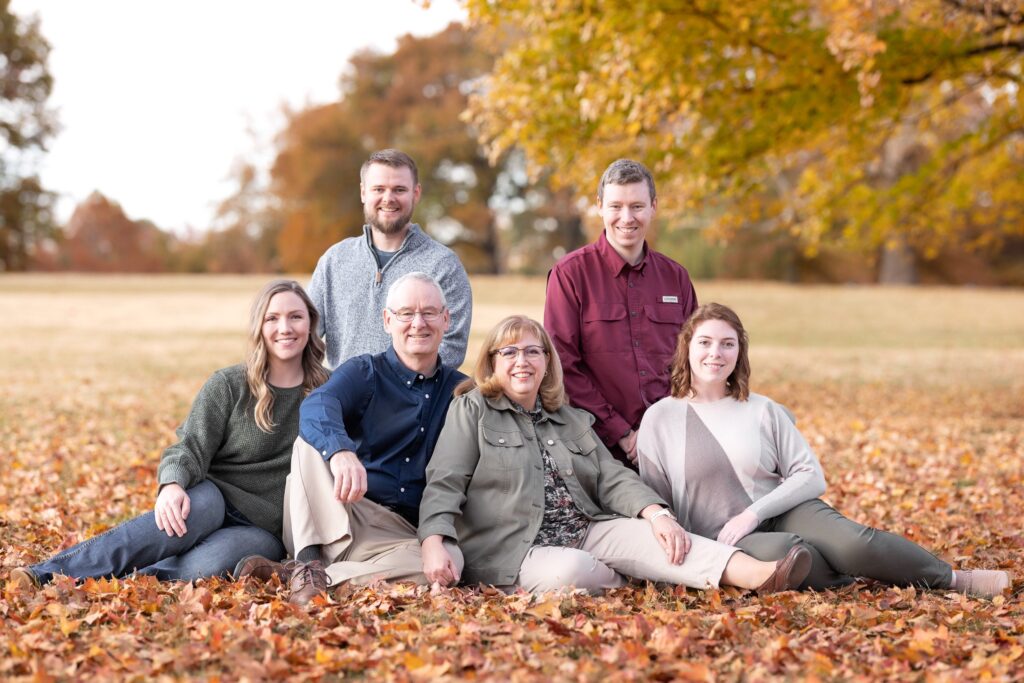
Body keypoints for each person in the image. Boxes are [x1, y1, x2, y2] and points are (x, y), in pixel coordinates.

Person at [637, 303, 1011, 598]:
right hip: (721, 539)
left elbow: (810, 474)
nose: (715, 353)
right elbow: (655, 498)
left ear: (739, 352)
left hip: (782, 510)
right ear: (687, 347)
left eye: (727, 343)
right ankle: (854, 577)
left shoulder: (761, 409)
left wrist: (751, 514)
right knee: (794, 555)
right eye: (705, 342)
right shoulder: (661, 418)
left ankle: (954, 579)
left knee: (854, 543)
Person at [417, 315, 812, 595]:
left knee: (666, 539)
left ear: (546, 363)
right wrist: (435, 540)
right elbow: (445, 480)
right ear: (492, 362)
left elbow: (611, 476)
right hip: (516, 547)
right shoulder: (472, 409)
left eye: (534, 352)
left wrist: (656, 514)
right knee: (570, 571)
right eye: (510, 352)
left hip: (587, 529)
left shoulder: (567, 417)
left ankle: (761, 576)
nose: (523, 361)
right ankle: (630, 577)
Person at [9, 280, 329, 589]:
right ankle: (45, 575)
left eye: (295, 317)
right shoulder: (230, 385)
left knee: (206, 566)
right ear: (260, 326)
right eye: (273, 318)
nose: (284, 328)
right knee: (166, 527)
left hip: (265, 529)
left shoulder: (329, 391)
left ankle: (130, 580)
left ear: (310, 323)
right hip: (215, 497)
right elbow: (189, 447)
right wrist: (172, 485)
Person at [236, 272, 467, 605]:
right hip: (337, 512)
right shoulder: (365, 372)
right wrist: (341, 451)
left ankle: (303, 576)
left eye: (429, 312)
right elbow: (317, 405)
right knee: (309, 444)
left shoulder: (459, 391)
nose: (418, 323)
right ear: (388, 320)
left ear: (446, 319)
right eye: (406, 313)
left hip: (401, 535)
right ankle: (308, 560)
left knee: (438, 570)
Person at [545, 159, 697, 467]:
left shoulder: (676, 277)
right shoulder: (570, 274)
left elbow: (695, 360)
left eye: (637, 206)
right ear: (600, 206)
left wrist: (658, 428)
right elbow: (561, 364)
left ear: (654, 206)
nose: (626, 218)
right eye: (616, 206)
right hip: (596, 448)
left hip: (673, 442)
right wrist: (623, 433)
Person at [307, 148, 472, 370]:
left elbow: (452, 348)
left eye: (399, 189)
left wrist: (390, 389)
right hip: (343, 401)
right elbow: (306, 337)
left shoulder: (443, 265)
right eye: (379, 189)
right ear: (364, 193)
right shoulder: (334, 260)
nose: (388, 198)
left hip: (413, 403)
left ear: (416, 193)